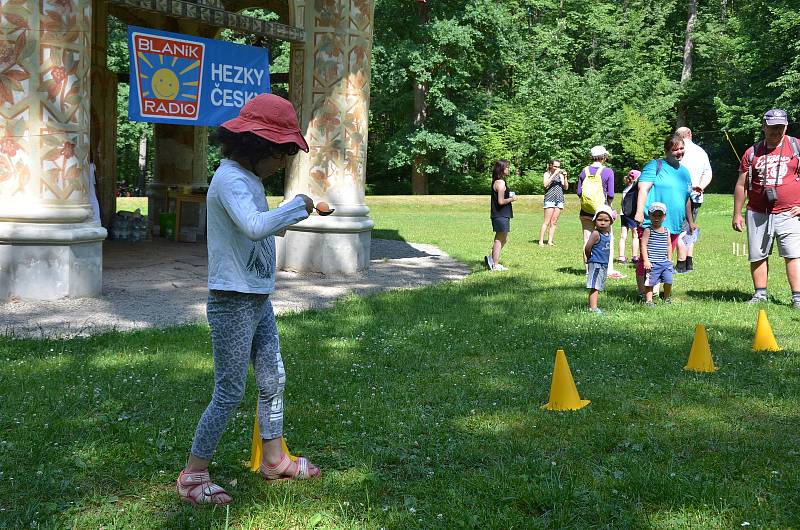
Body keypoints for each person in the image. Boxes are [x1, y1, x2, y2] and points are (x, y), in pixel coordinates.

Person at [176, 94, 321, 507]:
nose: (281, 164)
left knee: (273, 378)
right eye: (280, 154)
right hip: (233, 300)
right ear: (258, 147)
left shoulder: (249, 180)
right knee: (229, 391)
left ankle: (274, 460)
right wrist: (297, 206)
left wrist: (292, 211)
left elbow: (255, 229)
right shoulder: (230, 179)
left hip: (257, 297)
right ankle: (193, 475)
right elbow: (256, 227)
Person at [733, 108, 800, 308]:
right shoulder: (752, 152)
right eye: (772, 127)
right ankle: (760, 294)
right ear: (764, 127)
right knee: (757, 254)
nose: (776, 131)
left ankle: (797, 297)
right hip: (757, 212)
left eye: (780, 127)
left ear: (786, 126)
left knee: (793, 254)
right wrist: (737, 213)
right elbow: (741, 184)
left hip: (790, 212)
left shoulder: (796, 147)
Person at [634, 134, 697, 297]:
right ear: (667, 150)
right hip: (652, 222)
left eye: (682, 148)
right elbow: (643, 189)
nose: (680, 152)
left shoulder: (684, 172)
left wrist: (690, 221)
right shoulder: (655, 165)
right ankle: (643, 292)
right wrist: (640, 212)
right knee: (647, 256)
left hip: (674, 223)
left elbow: (687, 199)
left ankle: (654, 289)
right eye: (675, 149)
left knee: (665, 258)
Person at [674, 127, 712, 273]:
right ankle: (689, 262)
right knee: (690, 227)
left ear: (677, 137)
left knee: (679, 230)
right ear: (691, 135)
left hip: (679, 195)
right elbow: (708, 173)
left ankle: (681, 264)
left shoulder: (678, 150)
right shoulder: (701, 151)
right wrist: (701, 186)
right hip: (696, 195)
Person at [576, 146, 618, 271]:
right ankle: (608, 269)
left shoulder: (584, 171)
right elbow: (610, 194)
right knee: (608, 238)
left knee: (587, 238)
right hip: (602, 212)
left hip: (586, 211)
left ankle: (588, 270)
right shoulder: (607, 171)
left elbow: (579, 192)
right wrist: (608, 205)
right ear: (604, 157)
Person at [485, 159, 517, 271]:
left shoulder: (497, 181)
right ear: (501, 169)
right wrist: (512, 199)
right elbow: (501, 201)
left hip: (500, 215)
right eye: (507, 167)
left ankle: (491, 259)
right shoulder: (501, 183)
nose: (509, 169)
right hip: (500, 215)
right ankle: (495, 264)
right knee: (500, 239)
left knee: (503, 238)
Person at [641, 202, 674, 306]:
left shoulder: (666, 231)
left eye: (659, 215)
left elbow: (669, 245)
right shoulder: (648, 230)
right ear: (649, 215)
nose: (656, 218)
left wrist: (669, 259)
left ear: (664, 216)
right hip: (653, 263)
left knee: (669, 281)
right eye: (654, 215)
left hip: (665, 263)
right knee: (650, 282)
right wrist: (646, 260)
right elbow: (643, 245)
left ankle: (666, 298)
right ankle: (649, 301)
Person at [584, 206, 614, 313]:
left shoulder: (607, 234)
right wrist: (589, 258)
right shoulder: (596, 234)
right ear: (595, 220)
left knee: (598, 286)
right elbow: (587, 247)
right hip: (596, 263)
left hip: (603, 264)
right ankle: (593, 308)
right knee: (595, 287)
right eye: (599, 220)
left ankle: (592, 305)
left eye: (606, 220)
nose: (602, 222)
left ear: (611, 221)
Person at [539, 159, 568, 246]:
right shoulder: (547, 174)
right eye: (555, 166)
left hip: (559, 199)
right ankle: (541, 241)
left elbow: (566, 187)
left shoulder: (561, 175)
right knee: (546, 221)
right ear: (551, 165)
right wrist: (554, 174)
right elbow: (545, 184)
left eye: (558, 167)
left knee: (554, 221)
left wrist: (565, 177)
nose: (557, 168)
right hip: (550, 199)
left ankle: (550, 241)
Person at [618, 169, 641, 264]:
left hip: (623, 214)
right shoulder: (635, 189)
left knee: (623, 236)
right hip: (631, 214)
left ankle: (621, 257)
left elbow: (621, 203)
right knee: (635, 235)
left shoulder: (625, 189)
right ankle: (635, 257)